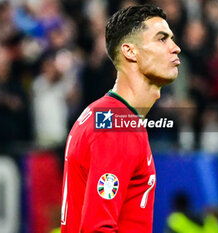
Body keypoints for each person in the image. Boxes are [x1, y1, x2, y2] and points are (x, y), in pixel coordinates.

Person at [60, 4, 181, 233]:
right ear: (130, 52)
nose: (176, 48)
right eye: (162, 39)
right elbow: (98, 229)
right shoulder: (117, 125)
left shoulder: (109, 116)